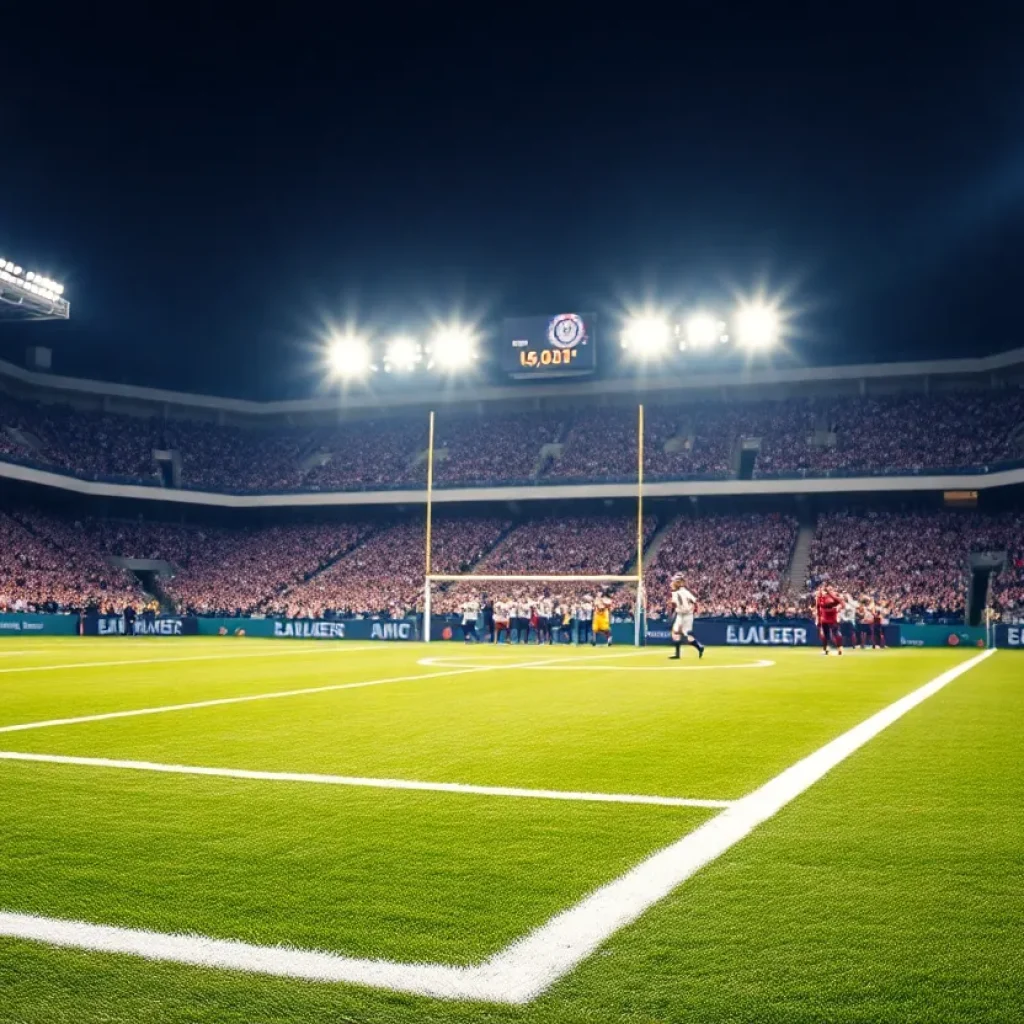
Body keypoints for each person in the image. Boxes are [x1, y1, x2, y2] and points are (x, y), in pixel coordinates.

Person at [669, 574, 705, 660]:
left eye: (674, 581)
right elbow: (695, 601)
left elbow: (674, 604)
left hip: (684, 615)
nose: (672, 583)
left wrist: (671, 610)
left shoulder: (676, 592)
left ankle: (699, 647)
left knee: (682, 635)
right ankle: (698, 647)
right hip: (685, 614)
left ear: (677, 583)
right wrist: (696, 609)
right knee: (677, 633)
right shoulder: (684, 591)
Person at [816, 584, 843, 655]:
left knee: (835, 632)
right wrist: (819, 619)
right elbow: (818, 608)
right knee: (825, 634)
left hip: (832, 616)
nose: (828, 591)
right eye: (828, 589)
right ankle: (825, 649)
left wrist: (838, 608)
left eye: (830, 589)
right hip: (824, 617)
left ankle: (839, 648)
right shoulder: (821, 598)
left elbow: (842, 603)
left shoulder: (834, 596)